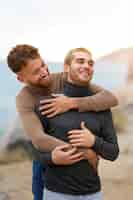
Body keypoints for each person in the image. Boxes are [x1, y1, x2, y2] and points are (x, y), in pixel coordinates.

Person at [7, 45, 118, 200]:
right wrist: (85, 152)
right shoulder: (24, 99)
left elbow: (110, 99)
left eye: (43, 65)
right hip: (47, 156)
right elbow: (39, 139)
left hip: (79, 167)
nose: (44, 73)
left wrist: (72, 103)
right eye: (36, 72)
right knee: (39, 190)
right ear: (21, 78)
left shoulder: (62, 78)